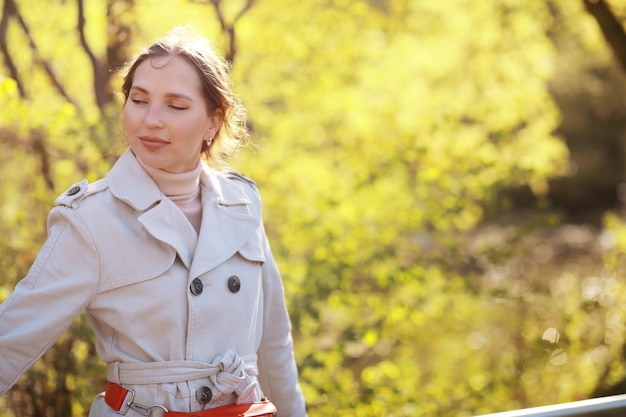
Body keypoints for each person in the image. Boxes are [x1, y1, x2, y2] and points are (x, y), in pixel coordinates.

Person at [0, 26, 307, 417]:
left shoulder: (243, 203)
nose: (151, 120)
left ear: (213, 122)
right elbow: (10, 341)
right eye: (139, 100)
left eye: (175, 106)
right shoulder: (92, 220)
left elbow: (273, 343)